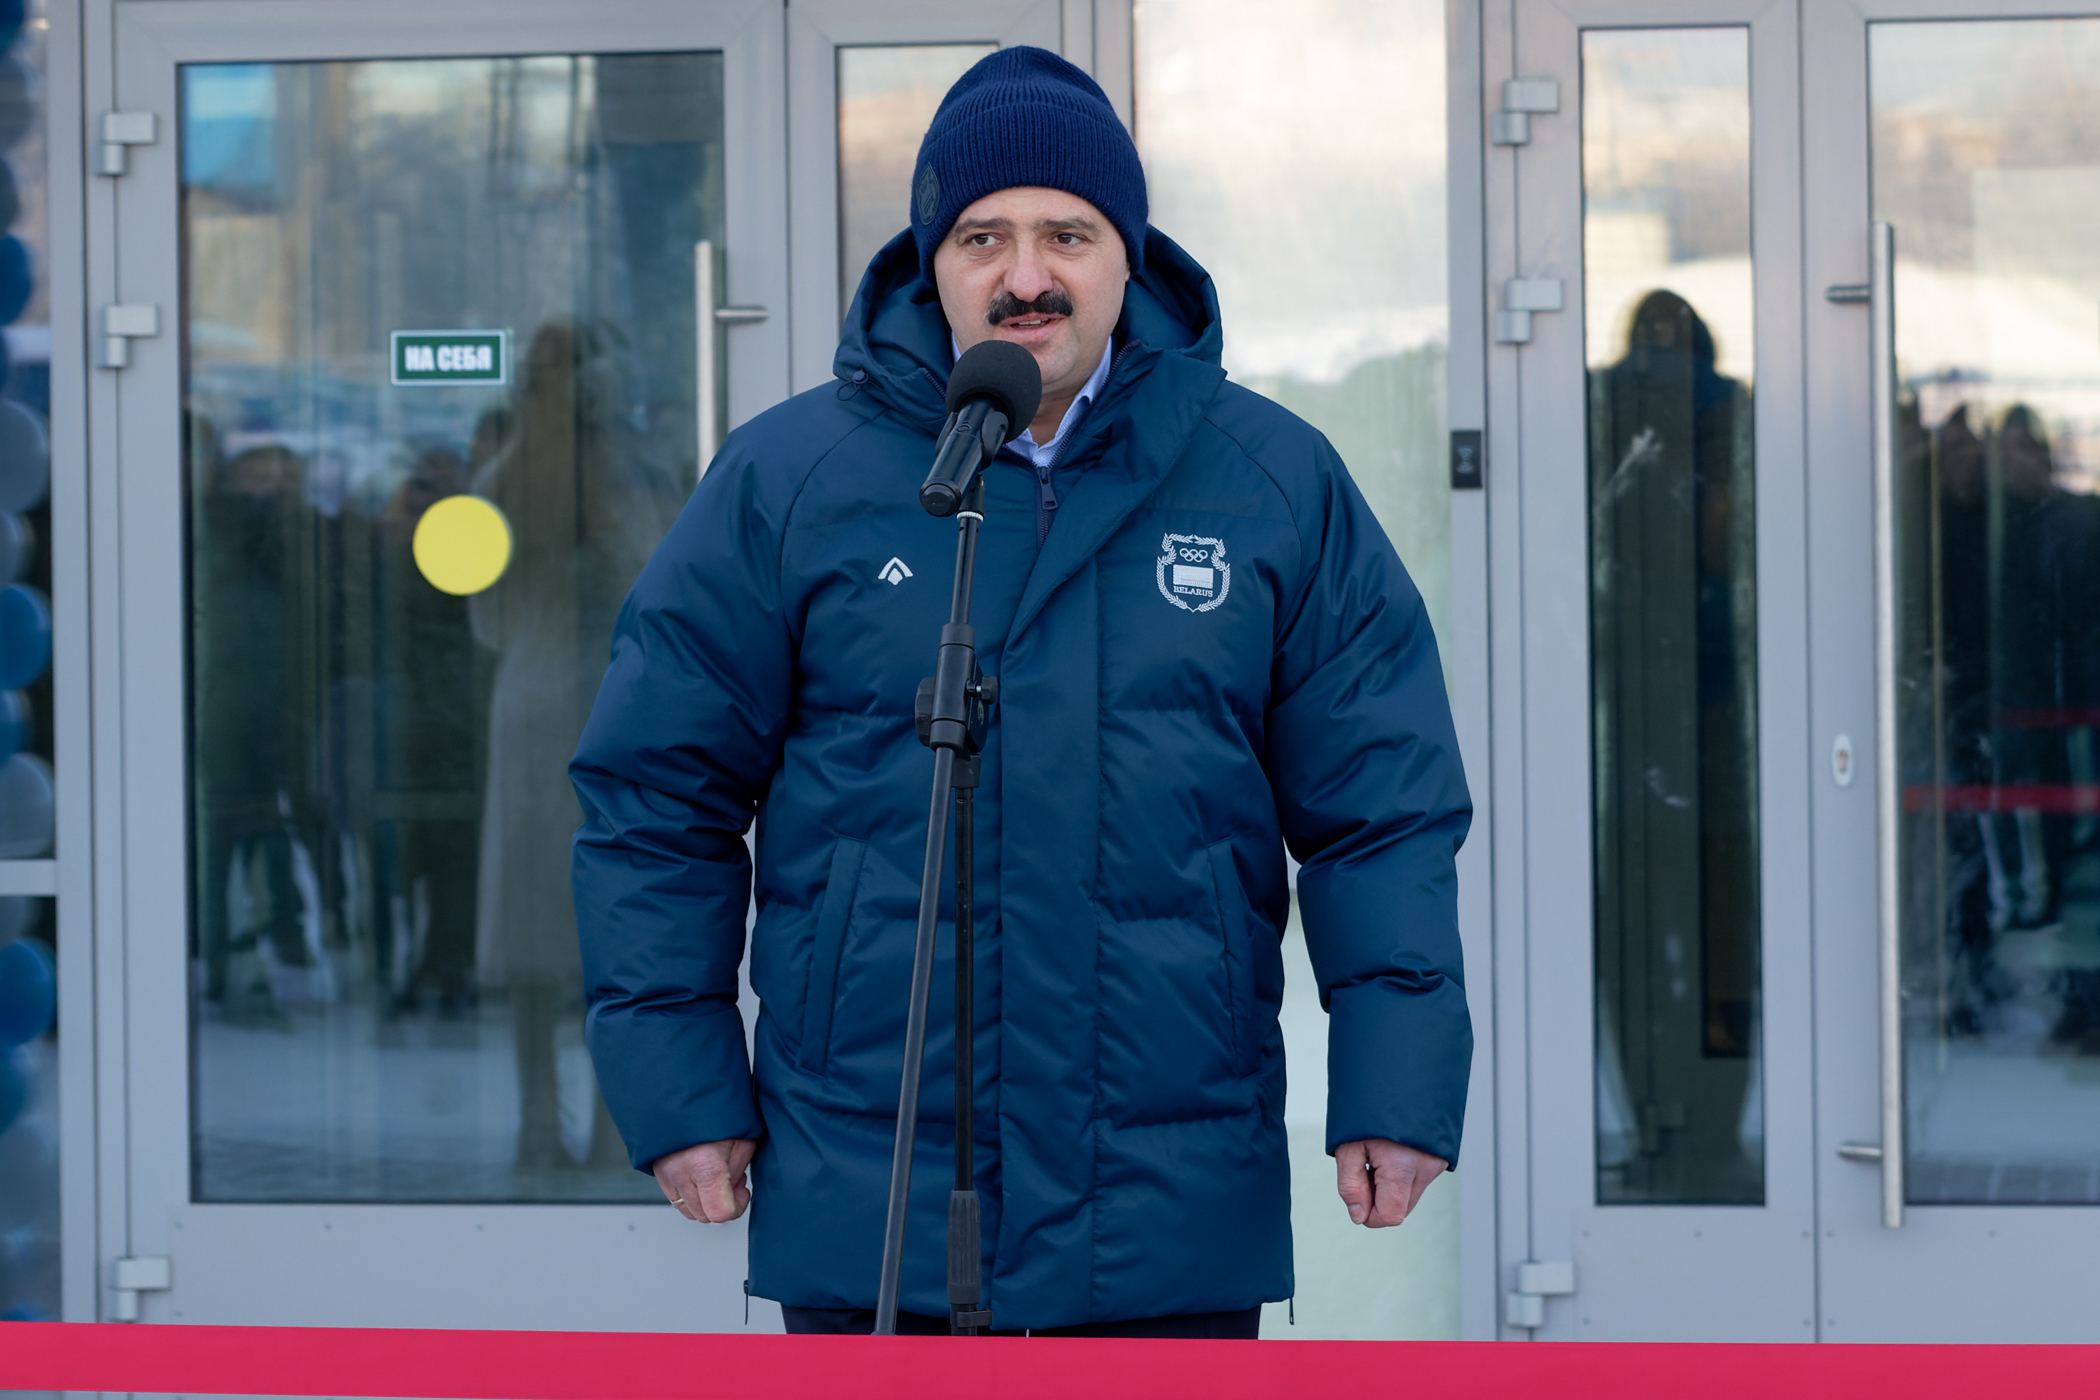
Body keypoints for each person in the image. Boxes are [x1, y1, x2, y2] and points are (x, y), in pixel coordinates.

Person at [571, 47, 1471, 1336]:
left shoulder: (1272, 482)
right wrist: (682, 1087)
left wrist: (1395, 1084)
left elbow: (1381, 811)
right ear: (931, 261)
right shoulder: (793, 480)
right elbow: (655, 799)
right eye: (983, 237)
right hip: (874, 1183)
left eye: (1068, 234)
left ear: (1128, 258)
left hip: (1165, 1195)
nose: (1026, 275)